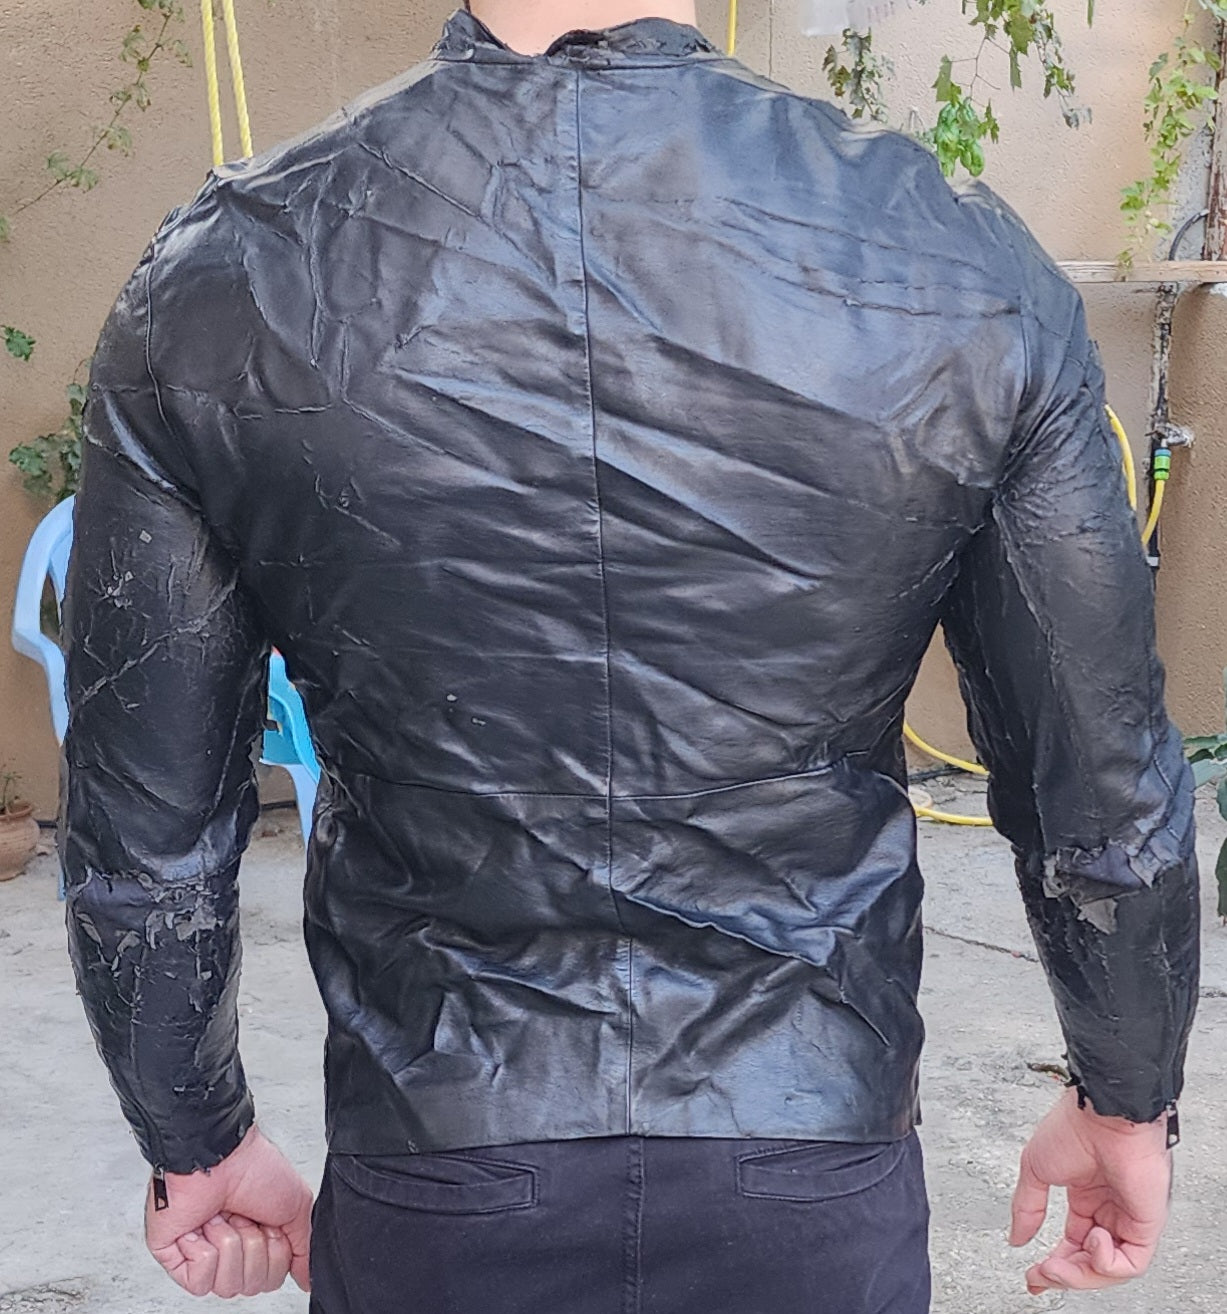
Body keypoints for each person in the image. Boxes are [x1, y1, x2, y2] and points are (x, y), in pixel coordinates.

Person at [60, 2, 1199, 1310]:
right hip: (807, 1161)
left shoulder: (223, 272)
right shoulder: (961, 260)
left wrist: (195, 1138)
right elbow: (1099, 781)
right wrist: (1128, 1095)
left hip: (444, 1159)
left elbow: (145, 833)